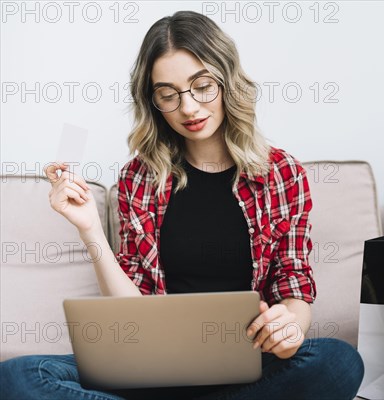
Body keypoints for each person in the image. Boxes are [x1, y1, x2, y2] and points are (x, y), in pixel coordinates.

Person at [0, 10, 364, 400]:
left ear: (227, 82)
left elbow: (294, 282)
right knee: (19, 377)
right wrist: (89, 228)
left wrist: (290, 326)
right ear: (153, 101)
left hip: (247, 366)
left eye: (202, 86)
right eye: (168, 94)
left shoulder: (281, 173)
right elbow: (132, 314)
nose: (188, 108)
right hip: (153, 370)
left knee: (339, 361)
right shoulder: (138, 179)